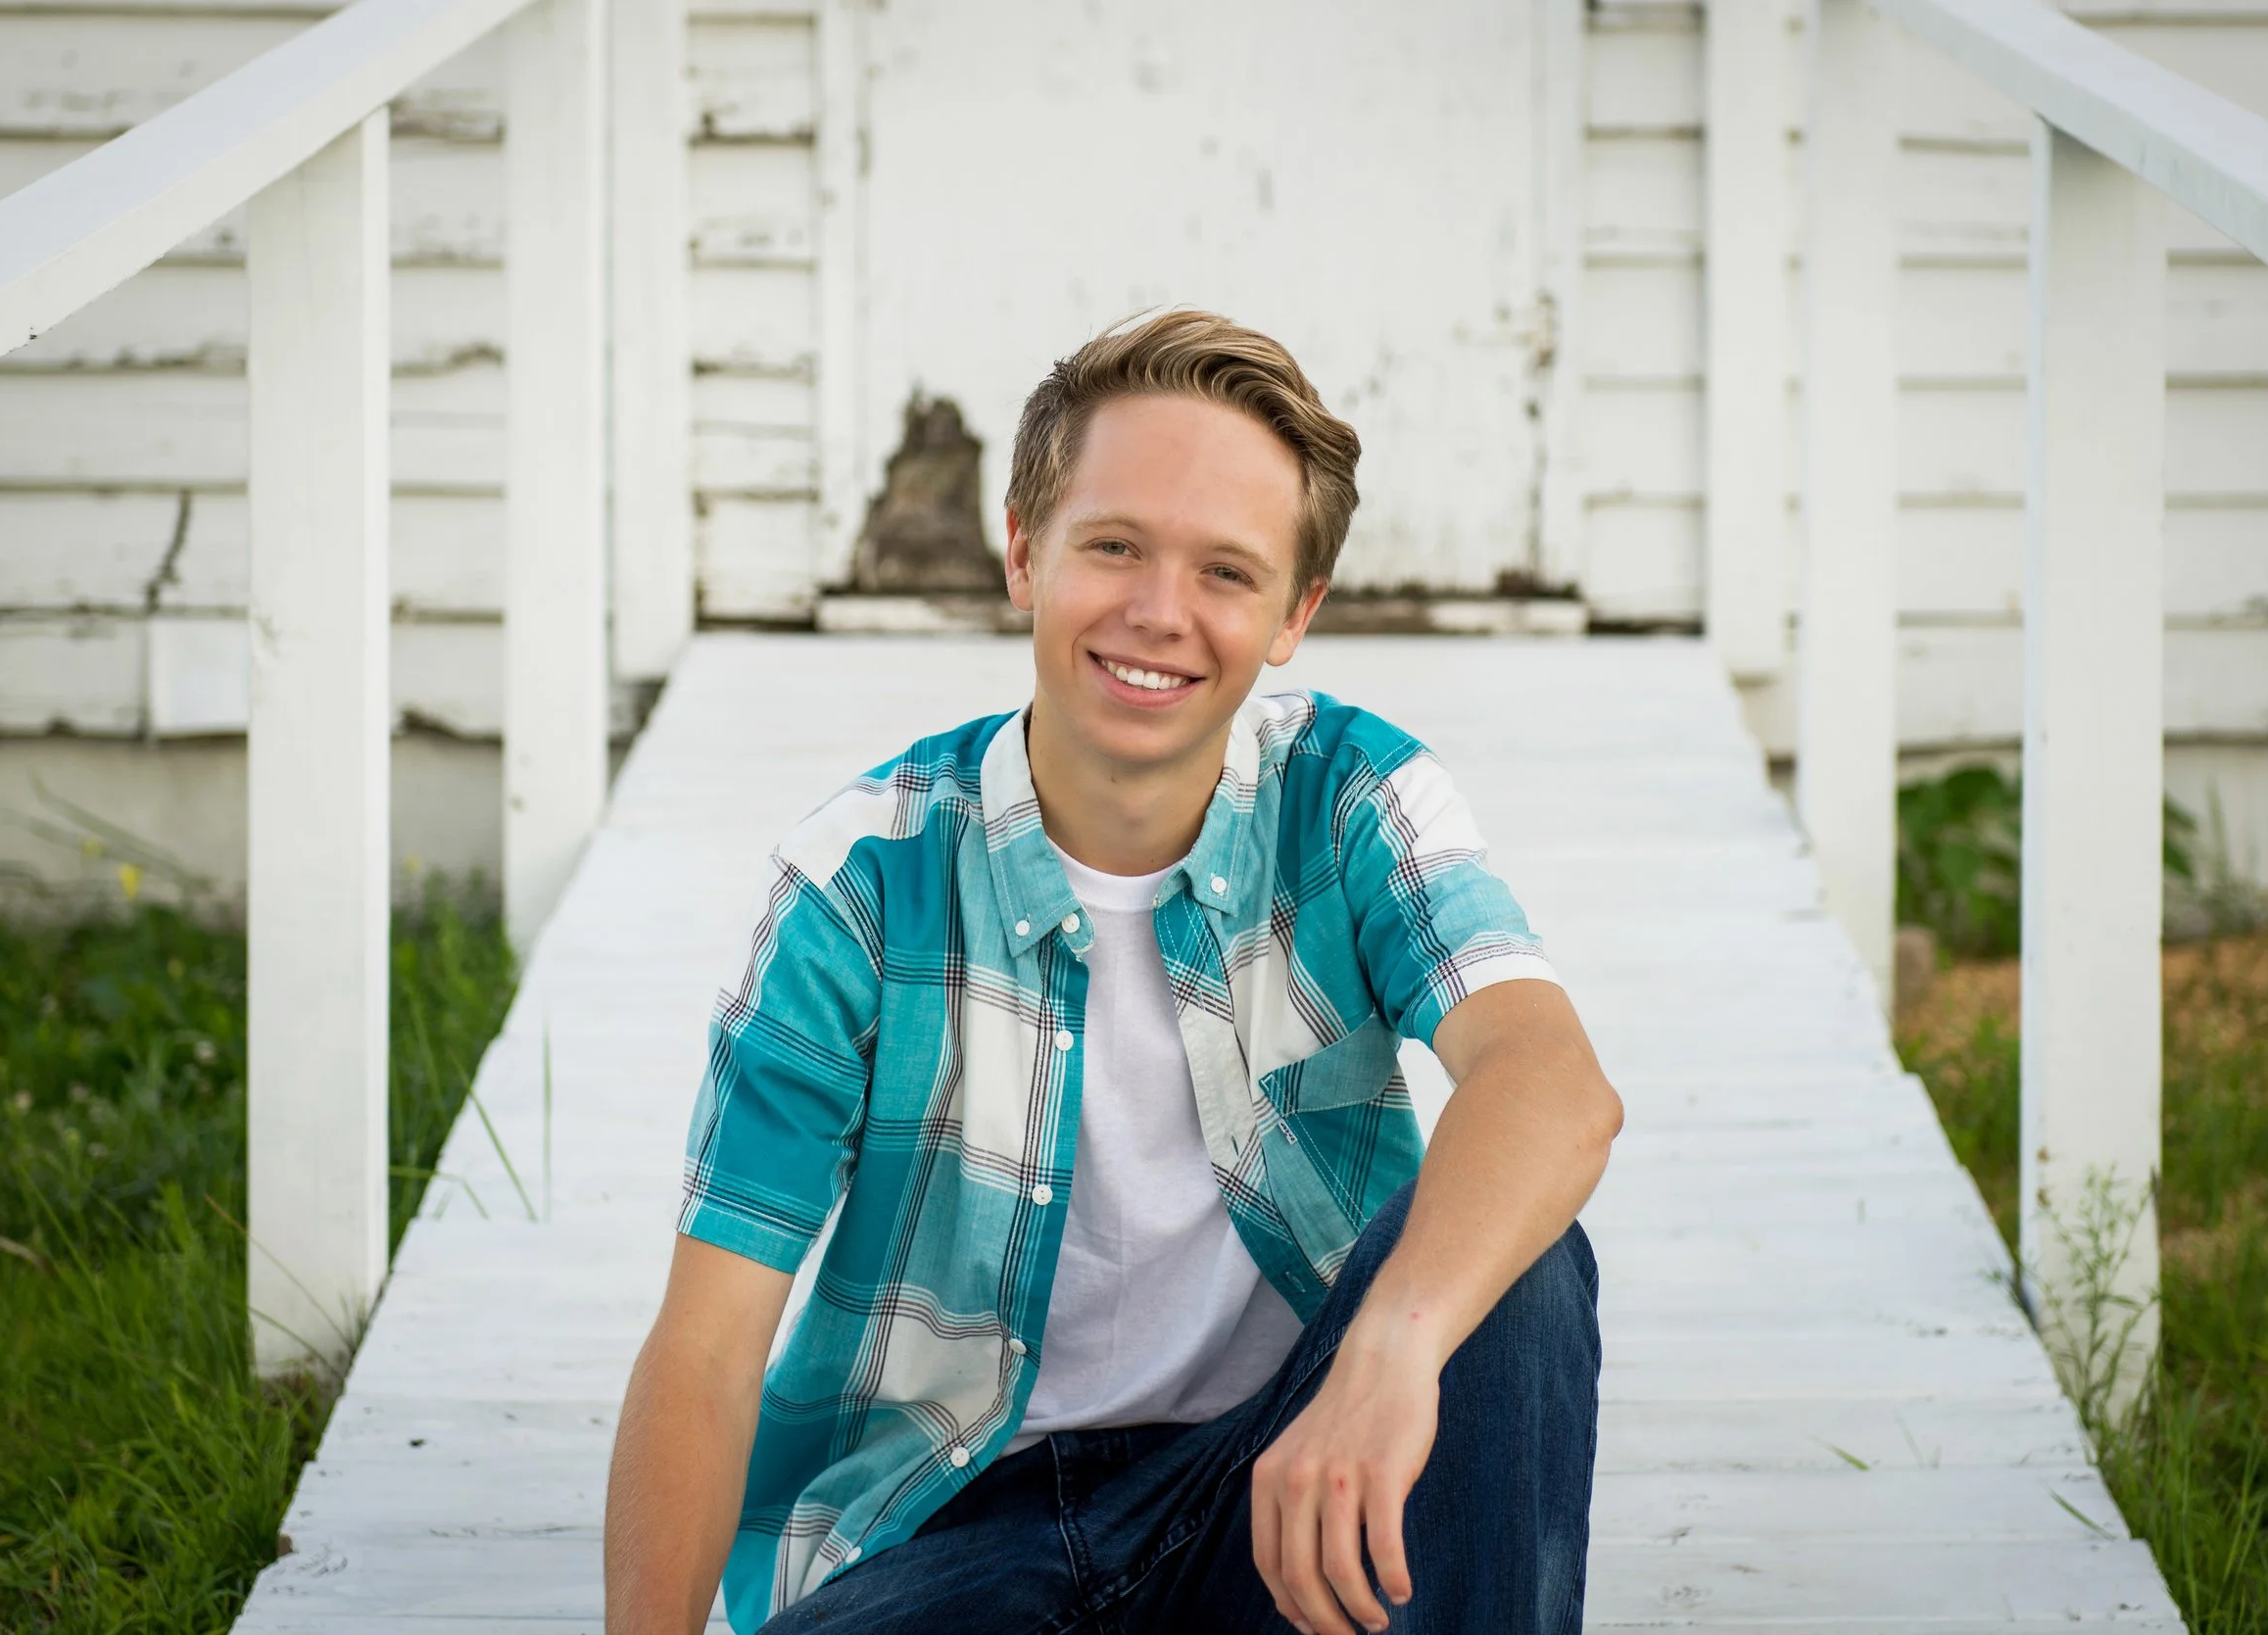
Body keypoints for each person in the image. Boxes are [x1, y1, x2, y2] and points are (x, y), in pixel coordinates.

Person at [603, 310, 1624, 1635]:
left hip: (1281, 1493)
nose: (1159, 613)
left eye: (1226, 573)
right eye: (1116, 546)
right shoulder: (863, 879)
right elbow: (708, 1344)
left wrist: (1393, 1349)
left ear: (1294, 616)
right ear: (1024, 553)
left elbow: (1551, 1081)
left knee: (1519, 1266)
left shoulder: (1354, 796)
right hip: (953, 1530)